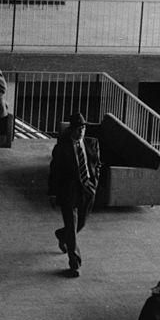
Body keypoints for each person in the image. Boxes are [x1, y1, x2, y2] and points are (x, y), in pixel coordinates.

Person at [48, 112, 101, 278]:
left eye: (83, 129)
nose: (81, 132)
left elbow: (97, 164)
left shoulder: (92, 143)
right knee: (72, 227)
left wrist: (94, 183)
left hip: (88, 189)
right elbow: (54, 172)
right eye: (78, 129)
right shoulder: (61, 148)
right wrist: (53, 193)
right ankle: (74, 264)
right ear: (71, 130)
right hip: (69, 191)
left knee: (81, 223)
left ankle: (61, 235)